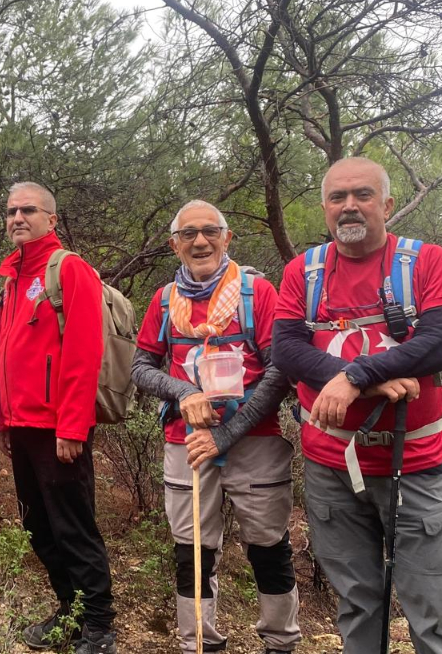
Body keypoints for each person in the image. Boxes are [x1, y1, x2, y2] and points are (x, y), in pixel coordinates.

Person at [273, 157, 442, 654]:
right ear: (325, 207)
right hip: (330, 467)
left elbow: (440, 344)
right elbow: (287, 349)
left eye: (363, 194)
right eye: (337, 197)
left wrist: (356, 376)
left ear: (387, 204)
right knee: (357, 606)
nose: (350, 206)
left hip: (415, 466)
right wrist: (369, 381)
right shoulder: (304, 272)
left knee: (432, 615)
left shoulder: (427, 262)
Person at [131, 200, 299, 654]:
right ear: (175, 245)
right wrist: (183, 392)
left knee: (268, 546)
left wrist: (227, 432)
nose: (200, 241)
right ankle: (199, 643)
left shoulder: (257, 294)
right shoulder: (164, 300)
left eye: (210, 231)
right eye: (188, 234)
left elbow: (280, 371)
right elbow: (141, 366)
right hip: (185, 442)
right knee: (192, 552)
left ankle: (280, 643)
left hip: (255, 441)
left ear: (227, 238)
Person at [0, 182, 116, 654]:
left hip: (58, 429)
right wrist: (3, 421)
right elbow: (8, 355)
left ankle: (99, 627)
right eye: (11, 211)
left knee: (73, 527)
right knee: (38, 527)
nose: (17, 218)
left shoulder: (69, 269)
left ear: (51, 219)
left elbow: (83, 354)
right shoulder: (13, 278)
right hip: (22, 425)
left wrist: (71, 427)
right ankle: (71, 611)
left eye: (28, 210)